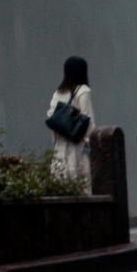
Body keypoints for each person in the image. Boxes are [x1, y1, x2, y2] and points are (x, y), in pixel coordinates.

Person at [47, 56, 94, 186]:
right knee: (80, 183)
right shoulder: (83, 91)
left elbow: (50, 115)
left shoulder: (58, 92)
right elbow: (87, 120)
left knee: (61, 183)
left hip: (59, 146)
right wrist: (91, 142)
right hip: (77, 145)